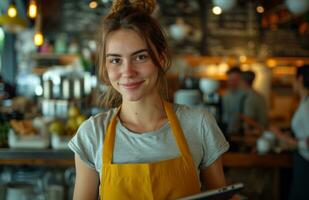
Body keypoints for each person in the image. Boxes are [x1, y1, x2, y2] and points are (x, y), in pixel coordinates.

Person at [68, 0, 229, 199]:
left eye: (140, 57)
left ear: (160, 58)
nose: (127, 72)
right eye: (116, 60)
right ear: (105, 66)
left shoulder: (199, 125)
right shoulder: (92, 135)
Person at [270, 65, 309, 200]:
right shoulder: (304, 102)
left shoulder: (307, 106)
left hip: (306, 164)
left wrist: (280, 135)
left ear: (300, 78)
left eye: (294, 78)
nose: (293, 82)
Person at [222, 66, 245, 136]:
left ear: (241, 80)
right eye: (230, 79)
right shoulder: (225, 95)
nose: (232, 82)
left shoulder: (245, 95)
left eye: (235, 80)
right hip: (227, 132)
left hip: (241, 133)